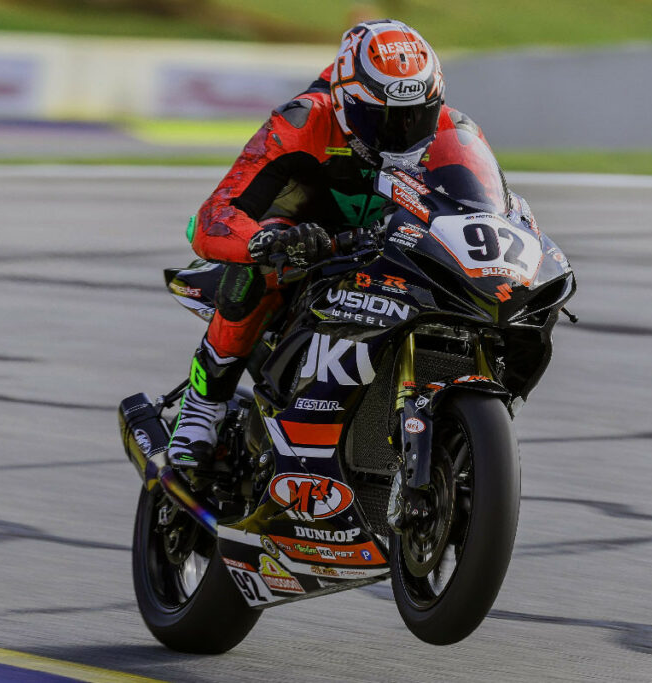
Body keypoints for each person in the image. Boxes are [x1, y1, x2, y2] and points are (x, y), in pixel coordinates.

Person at [169, 18, 529, 468]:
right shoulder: (302, 120)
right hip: (306, 236)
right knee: (257, 266)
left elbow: (486, 213)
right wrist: (268, 241)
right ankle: (202, 407)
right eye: (383, 118)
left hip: (389, 244)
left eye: (416, 115)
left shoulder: (453, 130)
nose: (402, 131)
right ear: (345, 101)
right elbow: (212, 219)